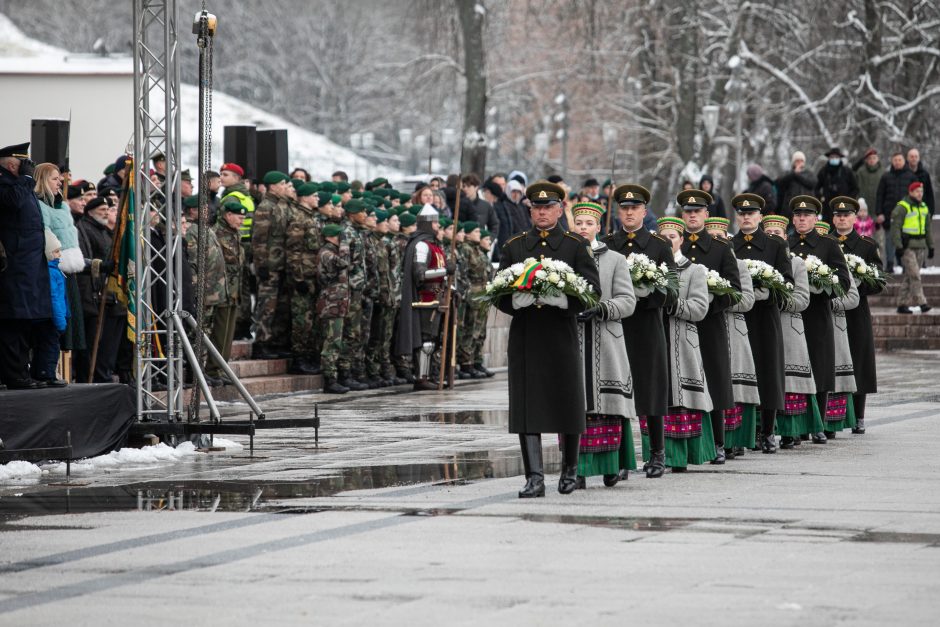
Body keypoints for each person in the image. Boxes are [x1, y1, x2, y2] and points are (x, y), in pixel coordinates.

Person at [496, 180, 601, 497]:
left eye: (548, 207)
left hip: (560, 333)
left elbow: (592, 292)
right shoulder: (515, 246)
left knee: (567, 402)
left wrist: (565, 301)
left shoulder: (574, 245)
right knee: (527, 404)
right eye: (537, 207)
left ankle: (570, 470)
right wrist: (515, 302)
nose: (542, 212)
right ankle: (534, 477)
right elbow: (499, 290)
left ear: (559, 209)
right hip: (527, 335)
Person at [603, 184, 675, 478]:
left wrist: (647, 293)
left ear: (645, 212)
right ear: (618, 212)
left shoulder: (659, 246)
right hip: (617, 328)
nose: (629, 212)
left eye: (635, 208)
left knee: (652, 389)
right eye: (624, 208)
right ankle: (622, 458)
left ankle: (657, 453)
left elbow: (672, 290)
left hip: (646, 325)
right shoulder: (608, 245)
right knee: (619, 390)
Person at [570, 201, 637, 488]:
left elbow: (628, 300)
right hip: (574, 339)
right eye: (579, 223)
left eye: (589, 223)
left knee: (609, 405)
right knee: (575, 404)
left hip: (606, 339)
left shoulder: (615, 260)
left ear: (599, 227)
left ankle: (612, 465)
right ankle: (576, 468)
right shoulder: (564, 257)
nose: (584, 228)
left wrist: (603, 308)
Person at [678, 189, 740, 462]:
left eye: (697, 211)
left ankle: (717, 441)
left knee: (714, 380)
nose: (692, 216)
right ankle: (685, 443)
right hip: (680, 323)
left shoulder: (720, 248)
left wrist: (707, 305)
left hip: (710, 323)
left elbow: (734, 290)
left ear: (706, 214)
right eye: (688, 212)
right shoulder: (674, 247)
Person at [730, 193, 794, 453]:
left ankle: (767, 431)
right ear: (737, 216)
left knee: (768, 373)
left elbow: (788, 282)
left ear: (760, 216)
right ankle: (743, 433)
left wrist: (770, 290)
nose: (746, 217)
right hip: (738, 317)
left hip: (766, 317)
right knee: (741, 373)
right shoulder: (729, 245)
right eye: (742, 213)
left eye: (751, 213)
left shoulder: (774, 245)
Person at [652, 216, 716, 471]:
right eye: (662, 238)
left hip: (682, 341)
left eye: (672, 237)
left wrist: (674, 304)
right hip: (656, 338)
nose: (667, 242)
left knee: (683, 398)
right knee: (658, 395)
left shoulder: (693, 270)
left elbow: (700, 308)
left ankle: (682, 456)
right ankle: (656, 454)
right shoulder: (650, 270)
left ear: (681, 239)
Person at [788, 195, 850, 443]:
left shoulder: (828, 244)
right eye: (798, 215)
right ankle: (797, 423)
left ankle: (819, 423)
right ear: (793, 219)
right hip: (792, 315)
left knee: (820, 367)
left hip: (817, 314)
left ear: (815, 218)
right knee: (795, 367)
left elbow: (843, 282)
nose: (802, 219)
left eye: (807, 215)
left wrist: (819, 285)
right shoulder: (786, 243)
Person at [761, 215, 822, 447]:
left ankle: (791, 430)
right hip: (766, 324)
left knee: (792, 383)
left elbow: (802, 299)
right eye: (769, 234)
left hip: (789, 326)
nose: (773, 237)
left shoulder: (795, 263)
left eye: (777, 233)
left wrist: (776, 300)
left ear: (785, 237)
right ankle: (763, 431)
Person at [705, 216, 759, 457]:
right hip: (709, 325)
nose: (717, 240)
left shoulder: (739, 265)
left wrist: (720, 297)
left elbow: (746, 299)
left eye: (721, 236)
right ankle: (714, 438)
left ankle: (735, 438)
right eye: (712, 236)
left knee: (736, 387)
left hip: (733, 328)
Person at [0, 143, 52, 389]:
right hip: (15, 263)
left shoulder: (20, 183)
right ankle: (14, 375)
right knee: (13, 320)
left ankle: (21, 371)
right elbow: (12, 203)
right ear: (12, 164)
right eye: (24, 163)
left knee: (25, 320)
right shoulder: (7, 184)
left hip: (29, 264)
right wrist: (27, 178)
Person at [832, 198, 883, 434]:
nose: (842, 218)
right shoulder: (825, 242)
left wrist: (858, 286)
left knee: (859, 358)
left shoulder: (866, 246)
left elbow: (879, 281)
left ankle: (859, 415)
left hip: (857, 311)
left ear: (855, 217)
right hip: (830, 310)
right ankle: (830, 414)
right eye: (838, 215)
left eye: (847, 215)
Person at [395, 204, 454, 391]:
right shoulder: (421, 245)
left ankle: (428, 374)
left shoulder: (435, 246)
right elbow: (419, 274)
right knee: (426, 340)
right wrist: (445, 270)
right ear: (427, 224)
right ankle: (421, 378)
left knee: (434, 339)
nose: (438, 226)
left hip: (437, 296)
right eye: (435, 222)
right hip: (425, 297)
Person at [74, 196, 124, 383]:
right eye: (102, 209)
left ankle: (102, 374)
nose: (106, 212)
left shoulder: (102, 230)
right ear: (90, 211)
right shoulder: (85, 229)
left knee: (106, 344)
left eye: (107, 209)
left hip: (104, 295)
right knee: (92, 343)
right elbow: (87, 260)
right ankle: (91, 377)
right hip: (92, 294)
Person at [251, 171, 294, 359]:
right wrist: (261, 265)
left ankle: (275, 341)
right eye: (283, 183)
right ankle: (261, 343)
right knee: (267, 305)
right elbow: (259, 239)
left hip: (282, 263)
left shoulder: (283, 205)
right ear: (273, 186)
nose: (285, 186)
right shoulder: (265, 207)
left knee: (280, 306)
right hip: (270, 265)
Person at [207, 198, 248, 384]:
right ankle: (213, 369)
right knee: (219, 331)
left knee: (228, 333)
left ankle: (221, 367)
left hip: (233, 290)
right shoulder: (216, 233)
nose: (242, 221)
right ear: (228, 215)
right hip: (221, 290)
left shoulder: (234, 234)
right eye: (239, 217)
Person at [285, 183, 323, 375]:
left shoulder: (310, 217)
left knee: (310, 320)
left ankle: (308, 355)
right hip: (302, 277)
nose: (317, 199)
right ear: (305, 197)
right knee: (302, 320)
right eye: (314, 195)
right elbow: (293, 251)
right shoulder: (299, 219)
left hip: (311, 276)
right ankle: (299, 358)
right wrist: (298, 277)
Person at [219, 162, 256, 340]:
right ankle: (243, 325)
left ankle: (237, 326)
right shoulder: (244, 195)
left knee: (236, 287)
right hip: (244, 245)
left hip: (234, 245)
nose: (221, 178)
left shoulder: (232, 197)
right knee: (243, 287)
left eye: (226, 174)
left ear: (236, 178)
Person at [315, 223, 351, 394]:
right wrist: (344, 245)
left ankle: (335, 376)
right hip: (331, 303)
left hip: (338, 303)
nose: (341, 240)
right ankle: (330, 379)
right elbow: (344, 263)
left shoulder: (331, 252)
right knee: (332, 342)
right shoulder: (326, 253)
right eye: (339, 237)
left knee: (336, 340)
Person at [32, 229, 69, 386]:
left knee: (43, 346)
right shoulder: (52, 272)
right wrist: (60, 320)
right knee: (50, 347)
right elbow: (55, 298)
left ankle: (40, 373)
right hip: (52, 317)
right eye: (56, 251)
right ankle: (46, 374)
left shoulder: (53, 271)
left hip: (47, 316)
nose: (59, 255)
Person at [891, 181, 933, 313]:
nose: (919, 194)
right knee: (915, 275)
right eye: (916, 191)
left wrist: (931, 246)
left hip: (920, 246)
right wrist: (898, 246)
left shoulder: (924, 207)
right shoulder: (903, 207)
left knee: (910, 276)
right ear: (910, 192)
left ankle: (902, 304)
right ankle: (922, 303)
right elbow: (895, 227)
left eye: (921, 191)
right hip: (907, 246)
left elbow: (928, 229)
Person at [876, 152, 916, 272]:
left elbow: (917, 195)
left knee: (905, 240)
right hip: (889, 214)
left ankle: (905, 264)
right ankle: (889, 264)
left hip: (907, 215)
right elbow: (880, 195)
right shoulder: (886, 176)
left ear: (904, 161)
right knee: (889, 240)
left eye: (900, 160)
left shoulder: (911, 176)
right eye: (895, 160)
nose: (897, 162)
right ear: (892, 162)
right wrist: (879, 212)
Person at [816, 148, 859, 223]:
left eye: (836, 157)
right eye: (832, 157)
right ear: (829, 158)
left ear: (840, 158)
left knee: (843, 230)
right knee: (828, 230)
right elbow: (816, 188)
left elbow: (855, 188)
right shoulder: (823, 171)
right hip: (827, 207)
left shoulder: (847, 171)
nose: (834, 159)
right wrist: (821, 198)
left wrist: (849, 200)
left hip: (844, 207)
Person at [776, 151, 817, 221]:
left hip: (807, 207)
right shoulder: (788, 174)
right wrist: (794, 173)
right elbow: (779, 183)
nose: (799, 162)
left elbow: (812, 183)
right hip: (790, 210)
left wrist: (797, 175)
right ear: (793, 162)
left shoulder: (809, 174)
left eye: (801, 161)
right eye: (797, 161)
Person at [907, 148, 935, 216]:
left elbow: (929, 193)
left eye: (916, 156)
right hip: (907, 209)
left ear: (919, 158)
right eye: (912, 156)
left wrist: (931, 211)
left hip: (922, 209)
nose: (914, 159)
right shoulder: (903, 173)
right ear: (907, 158)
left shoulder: (925, 174)